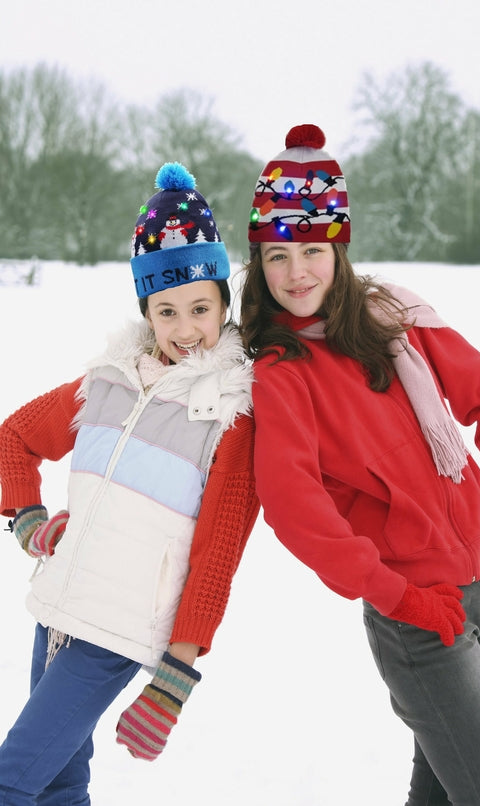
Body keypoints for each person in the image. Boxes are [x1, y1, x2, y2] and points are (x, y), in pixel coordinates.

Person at [239, 123, 480, 806]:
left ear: (340, 247)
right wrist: (397, 594)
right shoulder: (281, 371)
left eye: (313, 251)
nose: (296, 273)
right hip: (420, 616)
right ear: (259, 265)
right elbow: (294, 505)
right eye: (276, 256)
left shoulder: (396, 318)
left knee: (446, 789)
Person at [0, 161, 259, 804]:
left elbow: (217, 554)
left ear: (224, 302)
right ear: (146, 310)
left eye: (200, 308)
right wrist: (28, 520)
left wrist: (177, 672)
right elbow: (12, 439)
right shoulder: (106, 383)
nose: (185, 329)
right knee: (58, 784)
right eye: (165, 311)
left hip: (118, 632)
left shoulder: (233, 417)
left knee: (11, 779)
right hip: (60, 608)